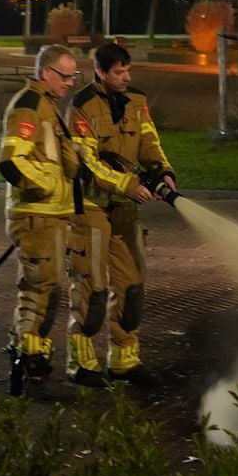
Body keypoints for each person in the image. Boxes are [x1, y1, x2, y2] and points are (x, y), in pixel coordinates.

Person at [68, 43, 176, 387]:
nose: (127, 77)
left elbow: (149, 142)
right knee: (93, 287)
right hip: (92, 207)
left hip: (125, 210)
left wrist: (162, 172)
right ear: (100, 72)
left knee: (132, 285)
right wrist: (127, 184)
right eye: (119, 72)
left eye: (128, 71)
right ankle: (82, 362)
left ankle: (124, 360)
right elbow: (87, 163)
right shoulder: (81, 106)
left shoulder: (137, 101)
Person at [0, 44, 82, 384]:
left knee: (49, 288)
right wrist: (43, 187)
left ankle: (33, 352)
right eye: (65, 76)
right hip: (35, 216)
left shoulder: (47, 106)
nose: (71, 83)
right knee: (38, 288)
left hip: (51, 216)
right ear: (47, 73)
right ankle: (28, 355)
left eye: (74, 76)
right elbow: (10, 161)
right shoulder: (29, 105)